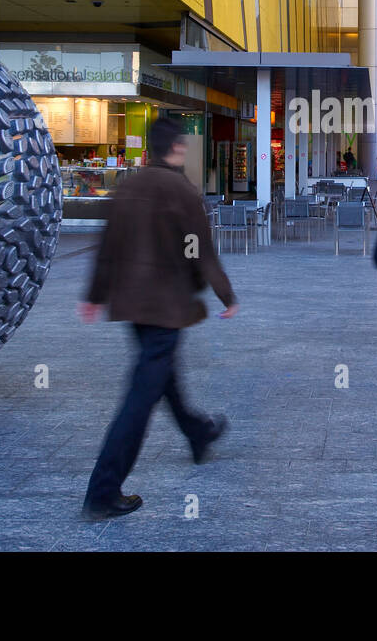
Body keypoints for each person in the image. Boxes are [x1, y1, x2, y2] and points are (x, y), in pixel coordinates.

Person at [79, 117, 237, 520]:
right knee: (140, 397)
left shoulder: (127, 188)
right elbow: (198, 250)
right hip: (166, 305)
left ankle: (198, 432)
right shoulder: (180, 191)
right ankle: (103, 490)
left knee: (161, 373)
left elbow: (108, 247)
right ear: (178, 148)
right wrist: (225, 294)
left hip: (134, 305)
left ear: (149, 148)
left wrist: (95, 296)